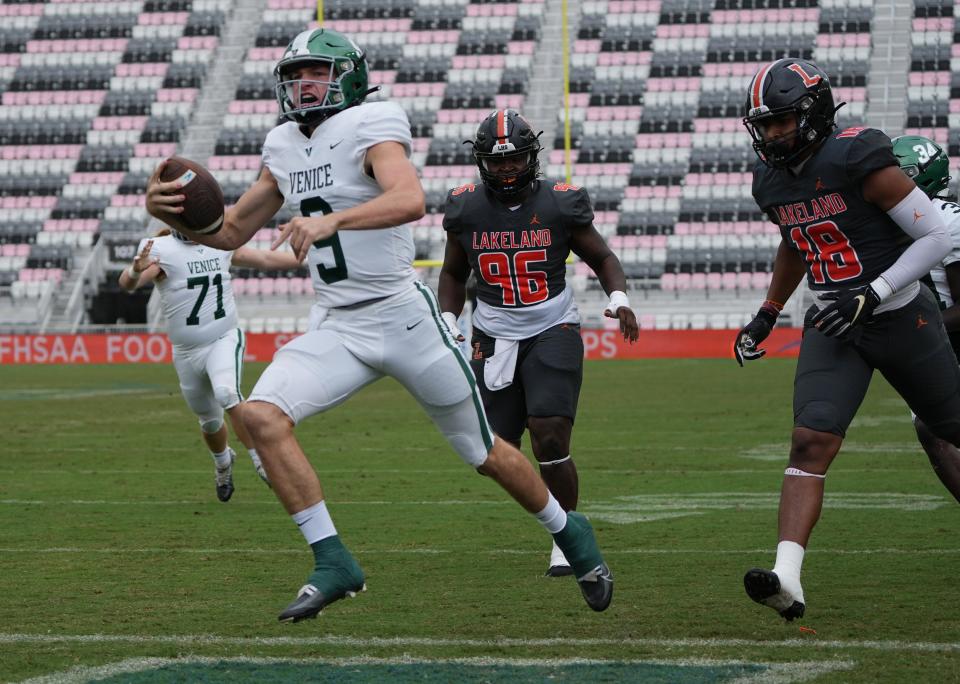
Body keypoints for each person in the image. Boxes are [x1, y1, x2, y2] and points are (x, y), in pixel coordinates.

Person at [145, 28, 613, 621]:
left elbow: (410, 198)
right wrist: (175, 220)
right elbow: (231, 233)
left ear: (349, 75)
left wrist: (331, 222)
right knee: (260, 418)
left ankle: (571, 535)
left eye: (316, 73)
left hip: (402, 317)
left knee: (484, 452)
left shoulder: (372, 122)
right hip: (337, 324)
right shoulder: (283, 144)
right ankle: (333, 559)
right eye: (294, 76)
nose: (302, 85)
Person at [732, 58, 960, 621]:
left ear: (812, 113)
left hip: (903, 317)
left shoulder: (856, 154)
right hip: (835, 322)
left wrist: (874, 292)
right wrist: (767, 312)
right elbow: (796, 240)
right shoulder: (769, 180)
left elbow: (937, 232)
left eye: (782, 121)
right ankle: (787, 576)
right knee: (809, 441)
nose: (773, 134)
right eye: (764, 124)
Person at [438, 109, 639, 576]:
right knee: (493, 453)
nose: (507, 170)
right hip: (493, 332)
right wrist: (449, 318)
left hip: (553, 326)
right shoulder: (465, 208)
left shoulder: (559, 203)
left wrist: (620, 297)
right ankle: (555, 517)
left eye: (515, 161)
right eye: (497, 162)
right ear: (481, 162)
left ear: (532, 158)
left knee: (550, 432)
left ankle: (566, 536)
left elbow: (602, 256)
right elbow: (452, 272)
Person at [119, 227, 301, 500]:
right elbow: (129, 284)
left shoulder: (221, 243)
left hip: (222, 338)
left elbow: (264, 259)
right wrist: (135, 270)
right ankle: (223, 462)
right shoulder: (162, 249)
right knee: (209, 422)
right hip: (186, 351)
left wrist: (309, 258)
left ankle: (263, 461)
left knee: (228, 393)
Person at [891, 134, 960, 503]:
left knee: (933, 429)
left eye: (897, 174)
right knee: (931, 432)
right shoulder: (892, 223)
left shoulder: (949, 221)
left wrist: (911, 327)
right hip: (937, 345)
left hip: (944, 337)